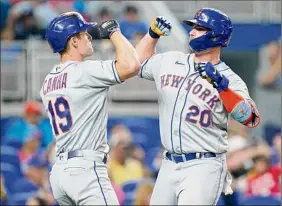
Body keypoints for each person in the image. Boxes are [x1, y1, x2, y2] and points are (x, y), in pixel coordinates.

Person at [135, 8, 261, 205]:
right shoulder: (171, 60)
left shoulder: (230, 79)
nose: (192, 32)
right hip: (168, 162)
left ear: (216, 35)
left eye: (200, 28)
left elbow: (251, 118)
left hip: (204, 164)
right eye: (193, 27)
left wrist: (222, 87)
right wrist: (151, 36)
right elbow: (136, 65)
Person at [40, 11, 140, 205]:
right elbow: (131, 66)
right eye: (84, 33)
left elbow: (132, 61)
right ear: (73, 41)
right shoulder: (84, 71)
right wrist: (114, 32)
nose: (89, 36)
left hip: (60, 172)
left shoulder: (49, 80)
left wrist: (150, 38)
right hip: (86, 169)